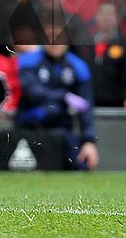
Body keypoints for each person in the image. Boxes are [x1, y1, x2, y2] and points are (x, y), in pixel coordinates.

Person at [15, 25, 99, 170]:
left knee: (80, 165)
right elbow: (33, 93)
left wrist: (89, 141)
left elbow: (86, 108)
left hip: (62, 129)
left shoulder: (78, 67)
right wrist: (64, 96)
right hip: (30, 127)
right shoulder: (28, 62)